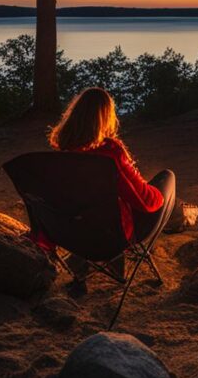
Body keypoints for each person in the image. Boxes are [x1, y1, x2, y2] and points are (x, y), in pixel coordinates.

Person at [46, 87, 176, 253]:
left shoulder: (61, 156)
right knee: (167, 177)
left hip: (74, 234)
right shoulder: (109, 152)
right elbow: (144, 202)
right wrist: (159, 196)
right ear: (106, 117)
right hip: (112, 235)